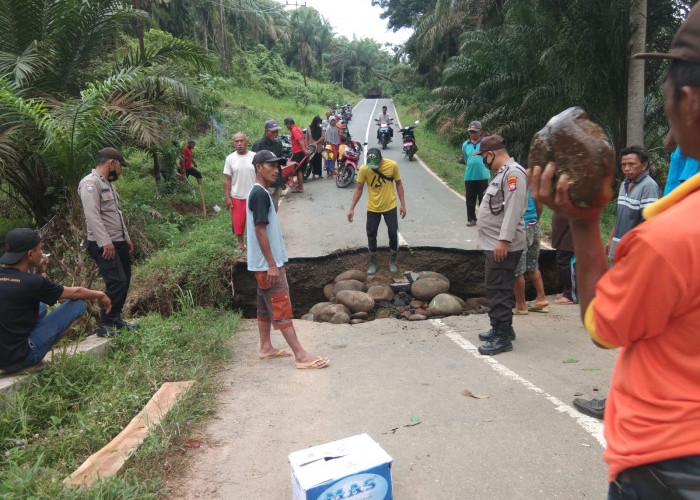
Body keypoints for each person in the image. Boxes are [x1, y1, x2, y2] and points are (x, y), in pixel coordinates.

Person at [530, 5, 700, 496]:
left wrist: (583, 221)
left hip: (668, 465)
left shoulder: (671, 240)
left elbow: (603, 326)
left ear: (687, 101)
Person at [246, 150, 329, 370]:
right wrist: (272, 264)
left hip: (260, 265)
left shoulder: (257, 192)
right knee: (281, 307)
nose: (276, 170)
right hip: (267, 266)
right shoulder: (260, 195)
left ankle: (265, 347)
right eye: (271, 166)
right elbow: (260, 231)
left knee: (265, 307)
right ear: (258, 168)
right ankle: (301, 356)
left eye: (278, 166)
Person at [0, 228, 111, 373]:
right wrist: (100, 294)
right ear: (30, 254)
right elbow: (76, 293)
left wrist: (39, 272)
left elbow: (24, 289)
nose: (42, 253)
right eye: (40, 249)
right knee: (78, 305)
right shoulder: (33, 282)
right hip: (20, 358)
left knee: (40, 305)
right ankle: (31, 360)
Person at [473, 135, 528, 356]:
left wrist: (503, 240)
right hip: (494, 241)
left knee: (498, 289)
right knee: (499, 286)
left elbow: (514, 209)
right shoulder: (503, 174)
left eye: (484, 157)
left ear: (492, 154)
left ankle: (502, 336)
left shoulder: (513, 174)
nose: (484, 161)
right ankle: (503, 327)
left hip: (502, 244)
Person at [78, 147, 138, 337]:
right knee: (116, 281)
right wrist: (105, 242)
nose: (121, 170)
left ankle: (116, 319)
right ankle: (105, 323)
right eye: (120, 166)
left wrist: (125, 238)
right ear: (111, 163)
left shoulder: (108, 183)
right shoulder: (90, 183)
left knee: (125, 279)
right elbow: (92, 215)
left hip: (117, 240)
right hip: (102, 243)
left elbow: (116, 214)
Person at [347, 148, 406, 274]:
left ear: (381, 159)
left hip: (390, 205)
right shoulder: (364, 169)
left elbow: (399, 184)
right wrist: (352, 208)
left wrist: (402, 205)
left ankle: (392, 261)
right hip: (373, 207)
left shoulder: (392, 165)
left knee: (392, 232)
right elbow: (359, 189)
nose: (374, 167)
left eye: (376, 164)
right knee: (371, 233)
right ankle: (374, 262)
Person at [604, 145, 659, 261]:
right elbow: (619, 217)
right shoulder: (624, 184)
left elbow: (650, 223)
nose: (626, 168)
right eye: (623, 165)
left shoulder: (649, 186)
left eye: (631, 164)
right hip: (618, 246)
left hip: (635, 251)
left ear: (644, 165)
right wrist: (611, 240)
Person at [513, 190, 548, 314]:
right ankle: (541, 298)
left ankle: (521, 306)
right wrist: (536, 220)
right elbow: (539, 204)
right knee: (533, 267)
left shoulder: (513, 183)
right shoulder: (531, 184)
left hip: (522, 227)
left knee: (517, 270)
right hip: (534, 225)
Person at [223, 132, 256, 251]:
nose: (239, 143)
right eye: (236, 141)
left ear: (246, 142)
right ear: (233, 144)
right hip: (237, 196)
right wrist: (227, 198)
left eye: (241, 141)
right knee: (238, 223)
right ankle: (241, 244)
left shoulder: (254, 156)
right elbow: (227, 179)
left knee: (255, 222)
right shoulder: (230, 159)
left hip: (253, 196)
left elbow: (261, 174)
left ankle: (255, 244)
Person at [462, 120, 491, 226]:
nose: (472, 133)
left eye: (474, 131)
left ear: (480, 131)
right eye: (470, 131)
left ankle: (484, 220)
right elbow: (466, 158)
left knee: (484, 199)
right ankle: (471, 219)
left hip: (483, 175)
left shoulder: (485, 143)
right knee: (470, 199)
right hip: (469, 176)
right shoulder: (465, 144)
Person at [251, 120, 285, 211]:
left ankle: (273, 225)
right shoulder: (259, 144)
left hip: (276, 180)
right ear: (266, 131)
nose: (276, 134)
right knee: (265, 208)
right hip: (265, 183)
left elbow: (279, 159)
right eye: (273, 131)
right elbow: (254, 164)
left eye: (277, 131)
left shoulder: (278, 143)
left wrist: (282, 180)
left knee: (274, 208)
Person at [551, 212, 578, 305]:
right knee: (563, 260)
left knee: (566, 261)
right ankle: (567, 291)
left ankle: (571, 295)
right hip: (565, 232)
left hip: (570, 233)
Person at [284, 117, 307, 193]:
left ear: (289, 123)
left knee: (297, 171)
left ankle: (300, 188)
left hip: (299, 152)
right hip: (298, 152)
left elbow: (300, 140)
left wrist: (304, 150)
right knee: (298, 171)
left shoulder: (294, 130)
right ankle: (299, 187)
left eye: (286, 125)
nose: (286, 127)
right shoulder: (297, 129)